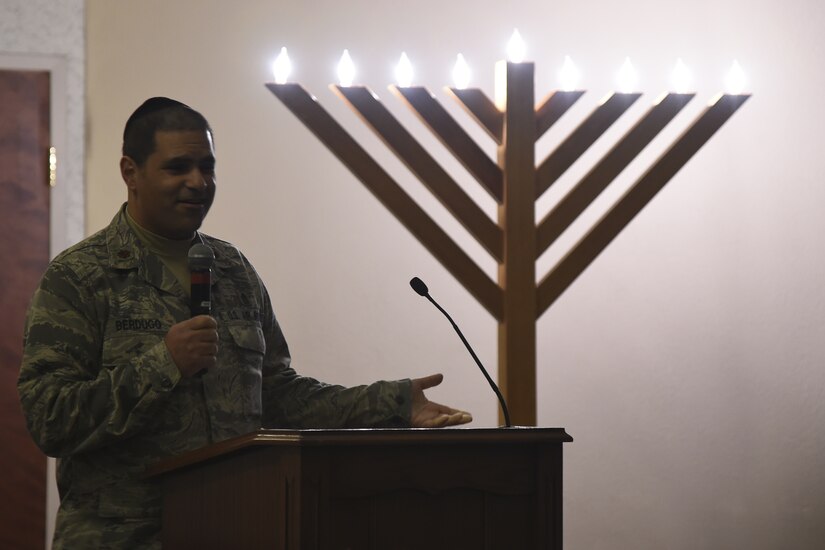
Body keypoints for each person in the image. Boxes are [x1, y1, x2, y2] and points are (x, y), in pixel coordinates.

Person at [17, 97, 472, 549]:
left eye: (207, 166)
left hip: (235, 525)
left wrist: (392, 403)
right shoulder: (79, 277)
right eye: (178, 167)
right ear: (130, 172)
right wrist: (164, 363)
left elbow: (279, 396)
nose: (198, 182)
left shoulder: (232, 269)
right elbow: (51, 419)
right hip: (123, 538)